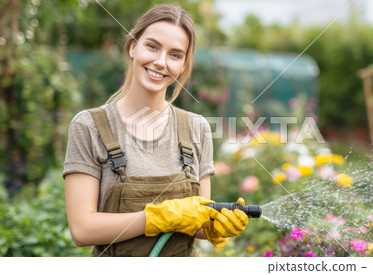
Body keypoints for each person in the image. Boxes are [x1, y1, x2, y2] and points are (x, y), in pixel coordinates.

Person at [63, 4, 248, 257]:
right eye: (152, 46)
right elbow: (82, 230)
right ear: (132, 48)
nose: (160, 62)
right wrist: (158, 218)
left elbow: (197, 224)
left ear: (183, 65)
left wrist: (216, 226)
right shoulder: (90, 126)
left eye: (175, 54)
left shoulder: (197, 128)